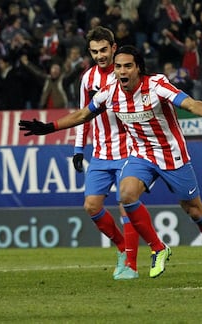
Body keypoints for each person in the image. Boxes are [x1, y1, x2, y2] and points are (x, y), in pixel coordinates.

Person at [19, 45, 202, 286]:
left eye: (128, 66)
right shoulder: (109, 92)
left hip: (171, 156)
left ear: (139, 69)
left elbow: (187, 103)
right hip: (141, 155)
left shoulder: (156, 85)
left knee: (195, 211)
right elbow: (83, 115)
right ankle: (158, 248)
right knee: (126, 194)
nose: (122, 71)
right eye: (119, 66)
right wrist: (49, 127)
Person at [73, 26, 140, 280]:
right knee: (91, 206)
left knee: (126, 205)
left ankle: (131, 265)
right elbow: (83, 116)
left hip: (128, 149)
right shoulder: (88, 79)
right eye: (94, 51)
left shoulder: (125, 72)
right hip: (101, 153)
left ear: (114, 48)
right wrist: (79, 149)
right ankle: (123, 248)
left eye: (103, 50)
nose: (100, 55)